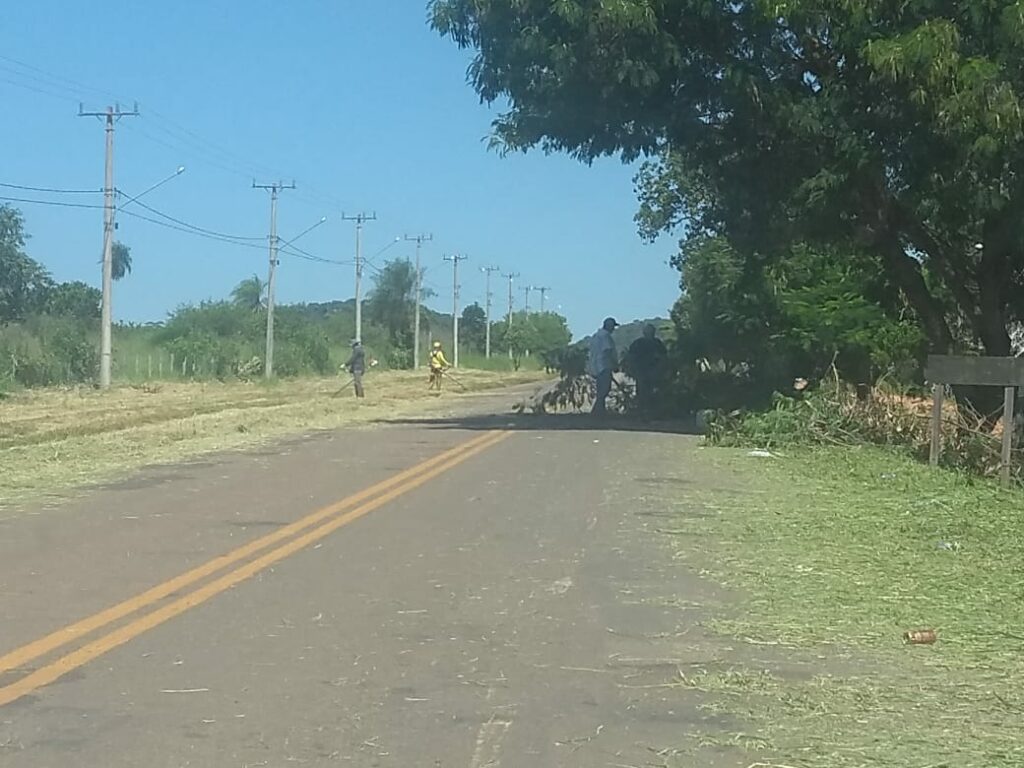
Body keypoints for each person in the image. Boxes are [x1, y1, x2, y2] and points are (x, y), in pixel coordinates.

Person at [627, 324, 668, 412]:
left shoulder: (657, 343)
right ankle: (643, 411)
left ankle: (650, 411)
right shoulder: (638, 343)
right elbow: (631, 358)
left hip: (652, 371)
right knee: (642, 392)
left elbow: (664, 357)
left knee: (651, 392)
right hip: (642, 371)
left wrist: (660, 369)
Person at [587, 317, 619, 414]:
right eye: (613, 326)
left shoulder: (596, 336)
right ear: (609, 326)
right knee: (604, 389)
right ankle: (597, 410)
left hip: (596, 366)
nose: (613, 329)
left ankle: (600, 410)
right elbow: (607, 350)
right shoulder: (605, 336)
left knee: (601, 388)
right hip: (604, 365)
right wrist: (614, 364)